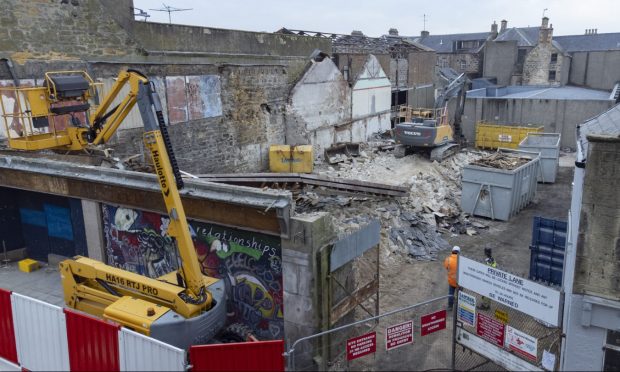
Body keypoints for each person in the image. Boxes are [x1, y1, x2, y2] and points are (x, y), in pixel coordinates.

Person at [444, 246, 460, 310]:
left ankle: (450, 306)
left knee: (451, 294)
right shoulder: (461, 260)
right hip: (459, 282)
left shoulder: (448, 259)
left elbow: (446, 267)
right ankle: (459, 308)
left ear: (452, 251)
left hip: (451, 281)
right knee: (460, 295)